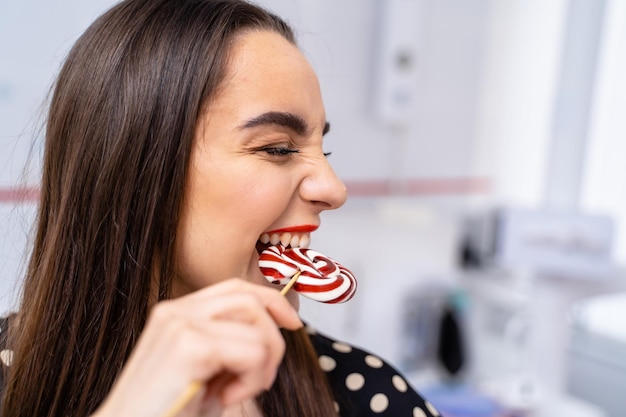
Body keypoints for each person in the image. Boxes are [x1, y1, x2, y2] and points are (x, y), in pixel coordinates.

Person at [0, 0, 441, 416]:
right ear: (137, 167)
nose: (334, 189)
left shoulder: (371, 395)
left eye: (322, 150)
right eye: (278, 148)